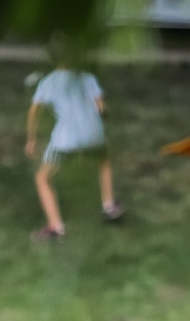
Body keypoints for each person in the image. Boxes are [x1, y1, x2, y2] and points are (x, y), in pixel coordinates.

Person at [26, 34, 123, 241]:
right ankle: (109, 205)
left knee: (42, 178)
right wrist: (105, 119)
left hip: (65, 139)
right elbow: (102, 108)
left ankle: (55, 227)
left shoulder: (48, 82)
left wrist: (31, 139)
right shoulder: (87, 77)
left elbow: (34, 110)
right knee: (104, 160)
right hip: (94, 134)